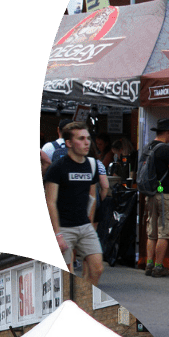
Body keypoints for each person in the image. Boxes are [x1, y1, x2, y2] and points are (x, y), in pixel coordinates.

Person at [44, 121, 106, 285]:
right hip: (63, 227)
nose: (87, 142)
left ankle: (85, 298)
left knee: (97, 268)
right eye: (81, 139)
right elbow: (50, 201)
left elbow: (92, 196)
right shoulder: (57, 168)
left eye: (88, 138)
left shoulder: (91, 165)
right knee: (66, 275)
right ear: (69, 143)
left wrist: (90, 224)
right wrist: (57, 234)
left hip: (84, 225)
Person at [141, 118, 169, 277]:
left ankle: (149, 264)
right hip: (166, 194)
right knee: (165, 232)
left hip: (150, 194)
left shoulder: (147, 147)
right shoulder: (167, 150)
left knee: (152, 232)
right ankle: (158, 266)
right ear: (168, 132)